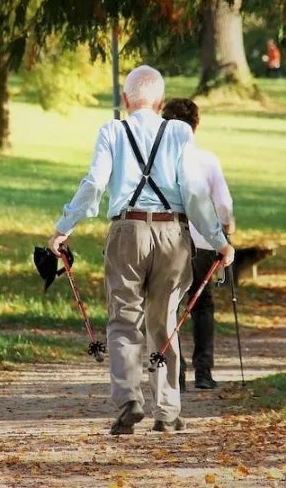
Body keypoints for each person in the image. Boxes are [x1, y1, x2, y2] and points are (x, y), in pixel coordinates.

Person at [47, 65, 235, 435]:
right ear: (161, 102)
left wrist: (63, 228)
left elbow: (94, 184)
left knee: (122, 319)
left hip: (126, 231)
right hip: (172, 234)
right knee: (165, 322)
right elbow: (195, 195)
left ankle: (129, 400)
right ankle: (167, 411)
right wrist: (219, 241)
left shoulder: (112, 131)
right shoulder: (180, 133)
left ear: (125, 100)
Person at [161, 99, 235, 391]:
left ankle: (175, 374)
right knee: (202, 305)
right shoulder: (206, 160)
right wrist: (227, 230)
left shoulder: (160, 161)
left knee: (170, 305)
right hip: (204, 240)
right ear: (196, 125)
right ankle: (203, 371)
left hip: (169, 239)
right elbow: (224, 203)